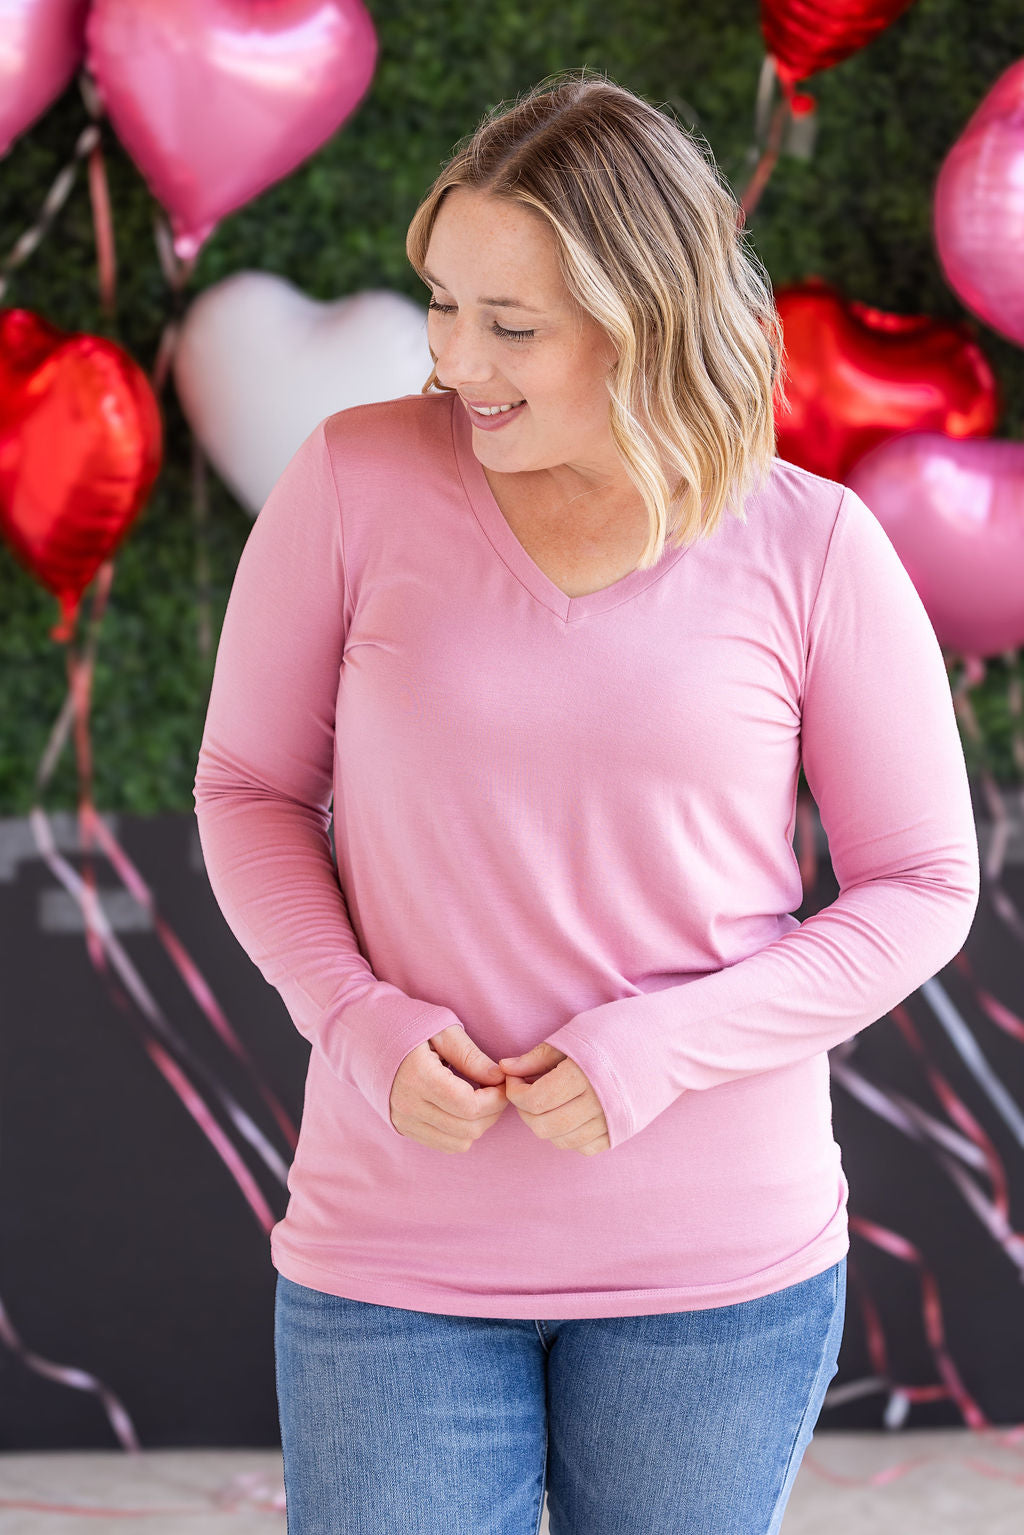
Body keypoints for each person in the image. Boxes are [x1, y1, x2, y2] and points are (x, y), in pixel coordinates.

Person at [192, 67, 980, 1535]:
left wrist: (663, 1047)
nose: (454, 360)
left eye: (511, 326)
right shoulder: (354, 483)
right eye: (439, 302)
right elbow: (246, 789)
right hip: (396, 1257)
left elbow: (923, 887)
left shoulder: (815, 546)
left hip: (715, 1271)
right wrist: (355, 1018)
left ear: (645, 319)